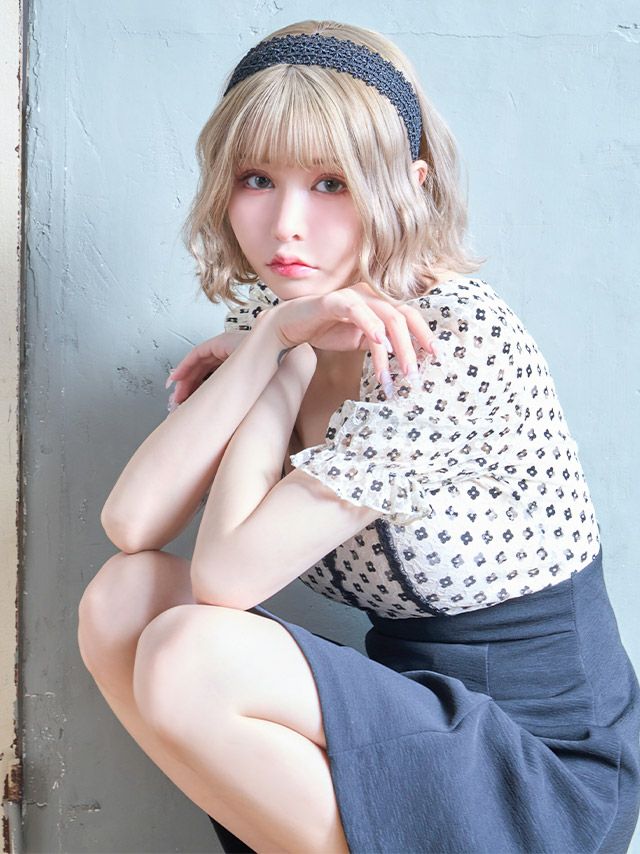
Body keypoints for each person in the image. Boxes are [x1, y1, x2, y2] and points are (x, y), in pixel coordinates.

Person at [78, 18, 640, 854]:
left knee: (193, 651)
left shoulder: (451, 345)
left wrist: (277, 363)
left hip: (537, 764)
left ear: (407, 186)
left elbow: (225, 580)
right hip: (411, 709)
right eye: (257, 179)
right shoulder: (288, 311)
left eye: (331, 183)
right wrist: (270, 345)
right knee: (124, 600)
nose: (287, 224)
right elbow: (131, 524)